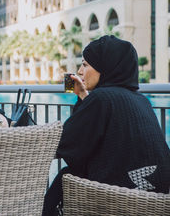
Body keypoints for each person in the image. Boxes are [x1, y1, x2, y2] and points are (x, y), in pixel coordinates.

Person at [43, 35, 170, 216]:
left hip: (118, 197)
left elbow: (65, 144)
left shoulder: (101, 98)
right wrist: (82, 96)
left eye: (85, 65)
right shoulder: (141, 100)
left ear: (105, 68)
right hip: (156, 198)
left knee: (66, 176)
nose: (79, 71)